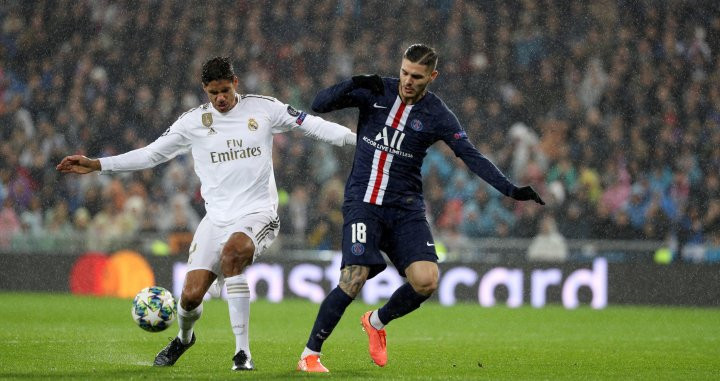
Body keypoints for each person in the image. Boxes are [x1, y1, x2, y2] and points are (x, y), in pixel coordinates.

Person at [56, 56, 356, 371]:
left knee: (232, 256)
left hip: (258, 213)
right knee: (189, 297)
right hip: (216, 219)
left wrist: (355, 139)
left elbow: (312, 125)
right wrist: (98, 164)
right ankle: (184, 339)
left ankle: (242, 353)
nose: (220, 99)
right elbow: (150, 154)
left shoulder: (264, 108)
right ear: (205, 90)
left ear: (236, 83)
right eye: (213, 93)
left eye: (225, 90)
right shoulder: (192, 123)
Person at [296, 44, 544, 373]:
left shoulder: (437, 114)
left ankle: (376, 322)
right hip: (363, 202)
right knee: (353, 279)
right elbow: (319, 104)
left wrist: (510, 189)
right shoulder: (375, 90)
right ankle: (310, 354)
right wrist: (353, 82)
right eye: (404, 73)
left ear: (432, 76)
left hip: (405, 209)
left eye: (417, 76)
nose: (408, 81)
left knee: (427, 280)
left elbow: (471, 156)